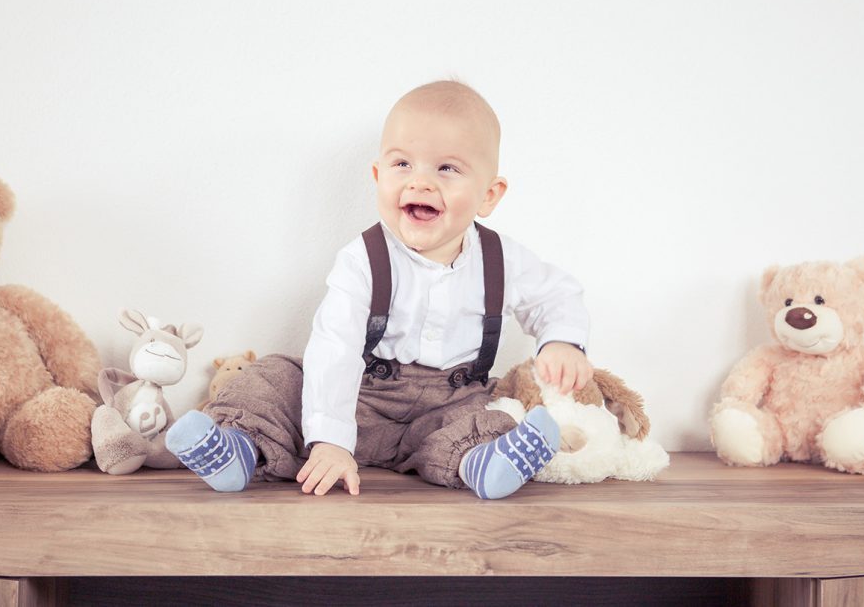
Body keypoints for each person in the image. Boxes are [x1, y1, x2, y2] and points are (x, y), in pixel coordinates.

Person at [166, 80, 592, 499]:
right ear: (378, 175)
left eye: (447, 168)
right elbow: (336, 346)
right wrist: (330, 439)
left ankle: (483, 462)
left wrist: (562, 341)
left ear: (489, 195)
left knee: (490, 411)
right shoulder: (363, 260)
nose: (420, 182)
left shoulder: (503, 259)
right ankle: (239, 447)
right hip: (359, 398)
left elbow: (557, 295)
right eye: (403, 164)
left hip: (448, 406)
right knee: (275, 376)